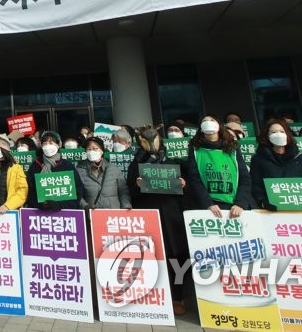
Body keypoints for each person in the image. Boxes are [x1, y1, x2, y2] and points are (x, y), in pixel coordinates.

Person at [128, 125, 188, 314]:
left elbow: (184, 190)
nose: (151, 144)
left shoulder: (172, 161)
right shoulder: (136, 164)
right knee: (150, 256)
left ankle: (178, 296)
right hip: (147, 214)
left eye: (154, 139)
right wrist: (137, 186)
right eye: (146, 140)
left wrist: (183, 185)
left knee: (176, 257)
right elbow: (130, 192)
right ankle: (153, 293)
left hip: (171, 215)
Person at [184, 115, 253, 218]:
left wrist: (240, 203)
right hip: (209, 207)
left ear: (219, 126)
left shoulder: (232, 149)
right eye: (204, 120)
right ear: (201, 128)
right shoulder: (195, 151)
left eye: (212, 120)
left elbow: (244, 178)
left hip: (235, 206)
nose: (208, 122)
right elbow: (195, 180)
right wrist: (208, 203)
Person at [249, 119, 302, 210]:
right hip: (271, 210)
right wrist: (262, 202)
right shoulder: (259, 159)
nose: (278, 134)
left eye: (282, 131)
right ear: (267, 136)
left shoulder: (299, 157)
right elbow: (256, 185)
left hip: (300, 207)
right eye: (273, 132)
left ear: (287, 134)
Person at [27, 131, 79, 209]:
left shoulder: (66, 165)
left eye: (51, 143)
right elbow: (30, 190)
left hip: (64, 212)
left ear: (58, 145)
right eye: (44, 143)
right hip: (40, 212)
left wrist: (59, 205)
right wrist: (40, 204)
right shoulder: (35, 166)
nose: (47, 146)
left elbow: (77, 189)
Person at [76, 137, 131, 210]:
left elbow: (123, 191)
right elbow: (76, 193)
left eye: (95, 148)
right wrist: (85, 206)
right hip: (92, 214)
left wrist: (126, 205)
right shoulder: (79, 170)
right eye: (89, 149)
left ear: (102, 150)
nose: (92, 151)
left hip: (112, 214)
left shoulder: (113, 169)